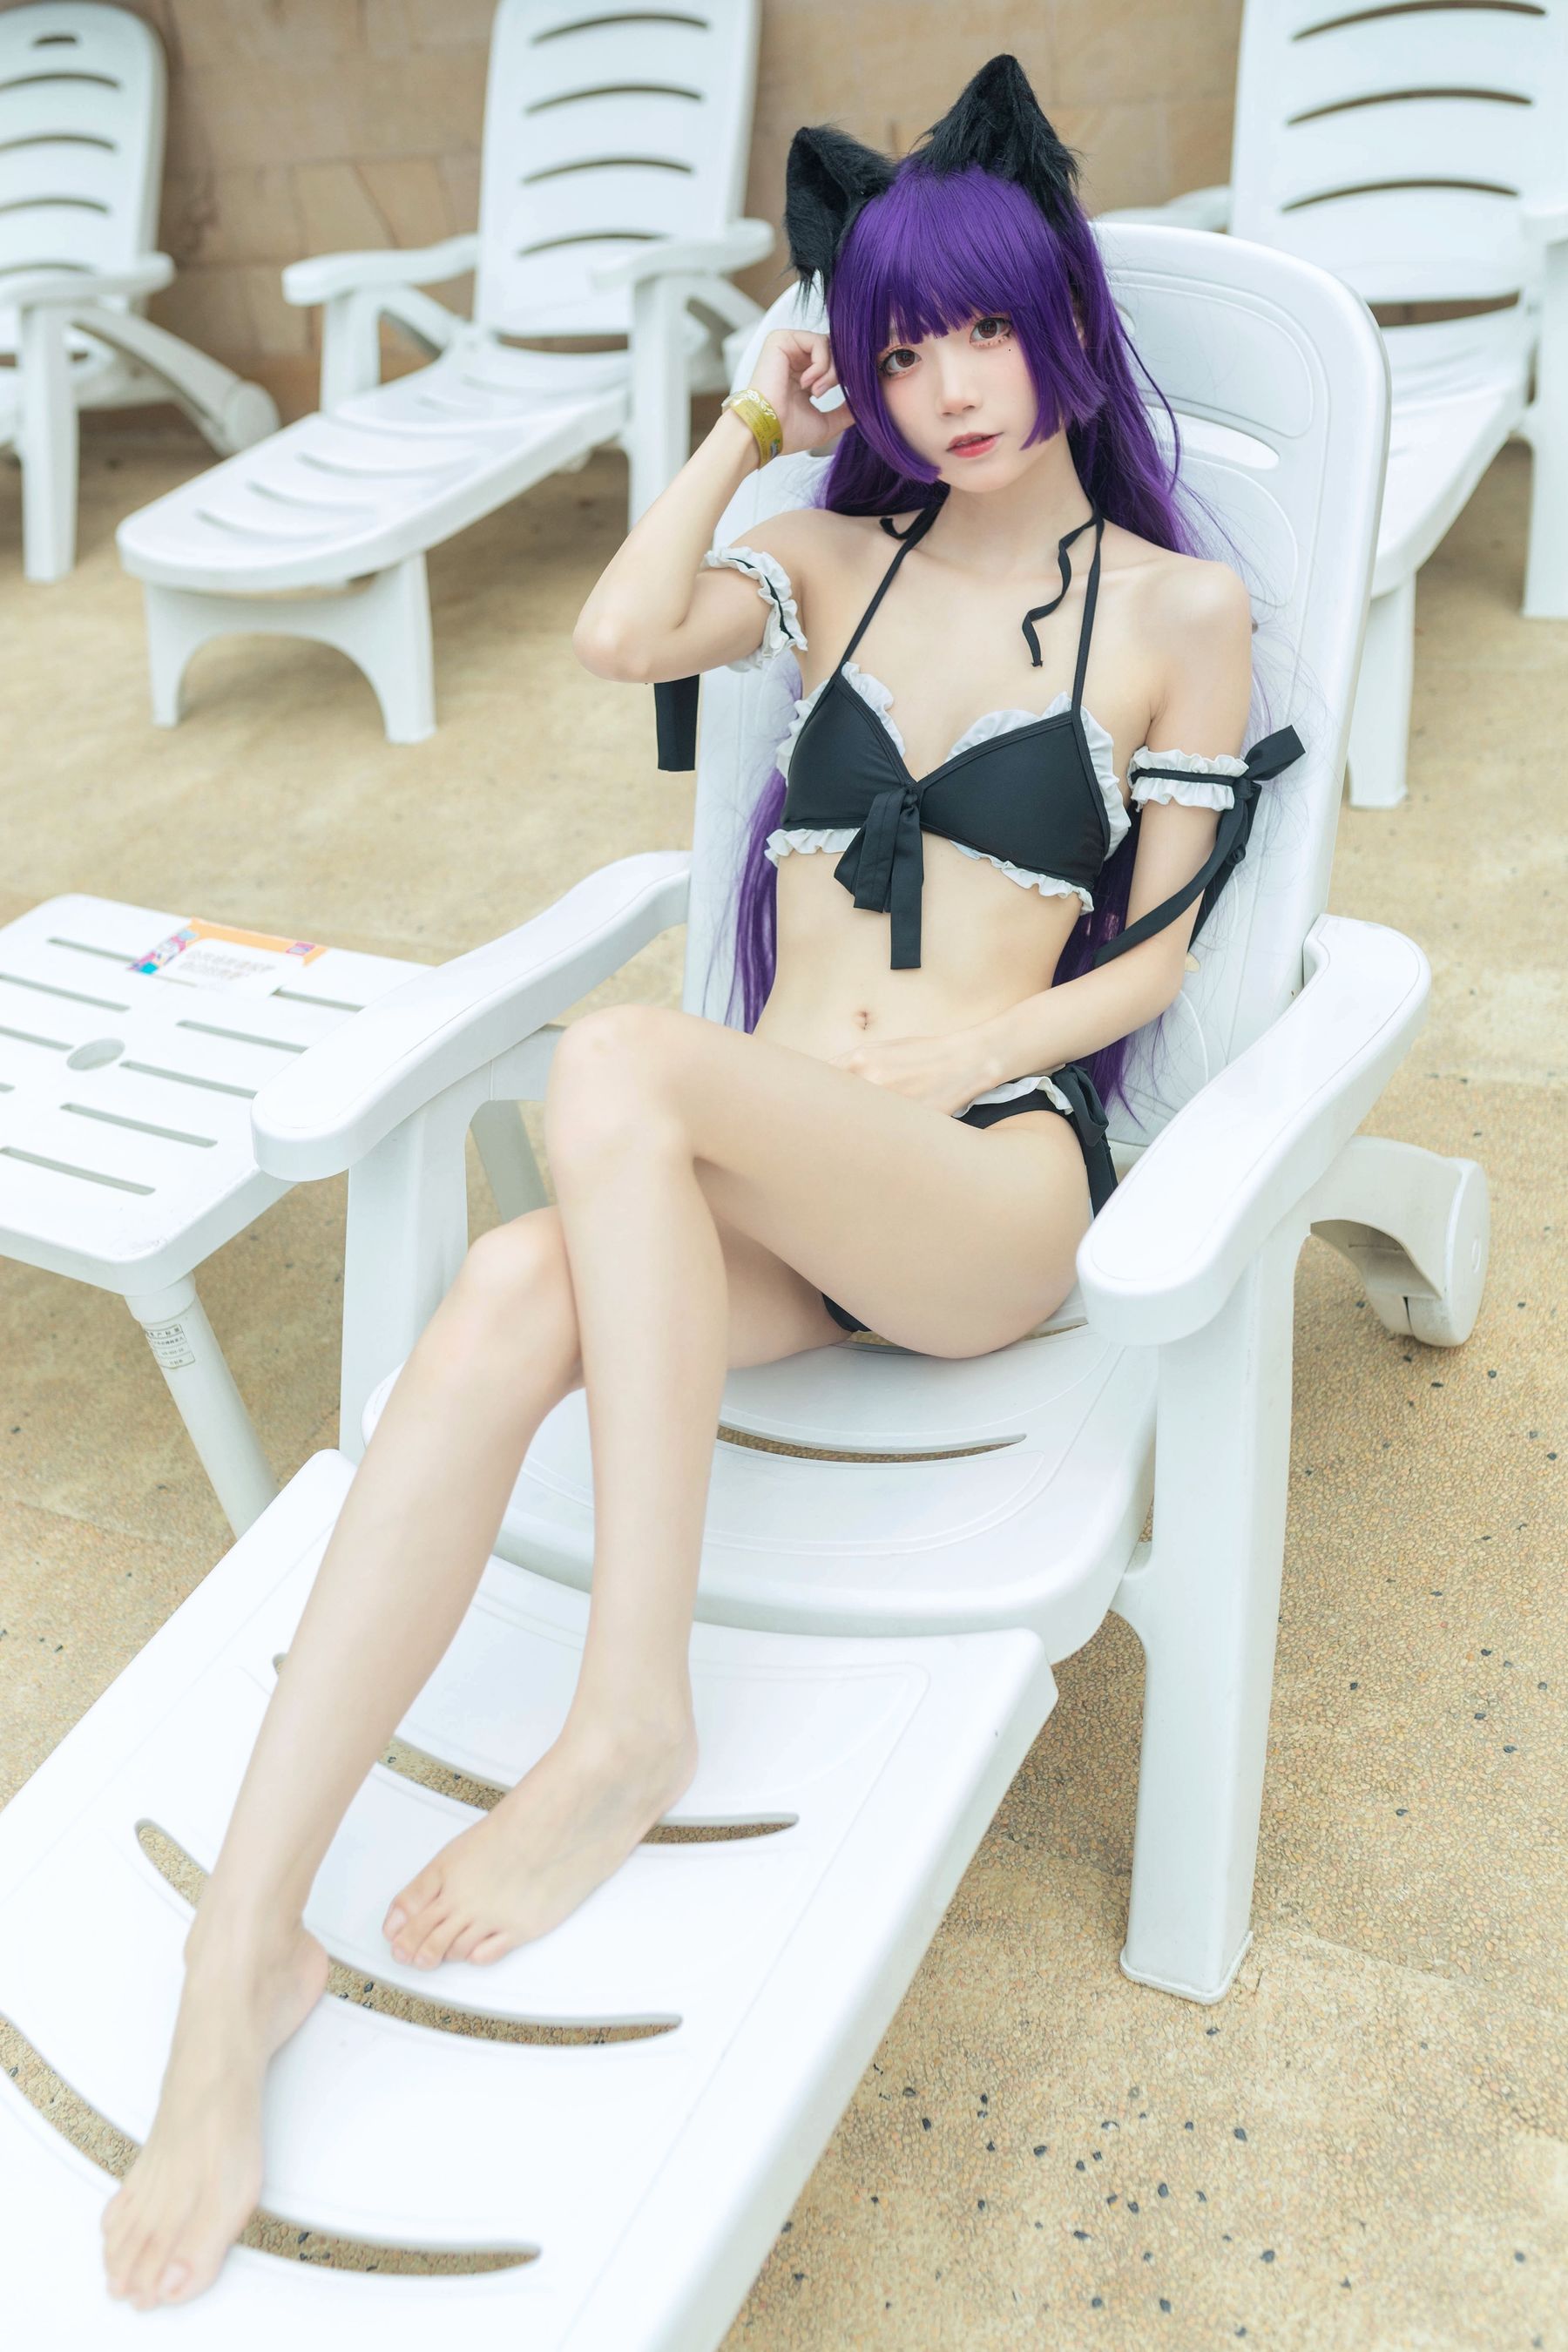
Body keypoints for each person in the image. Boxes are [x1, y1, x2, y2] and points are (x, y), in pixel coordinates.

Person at [98, 54, 1301, 2315]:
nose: (949, 385)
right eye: (902, 344)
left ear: (1065, 317)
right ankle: (238, 1954)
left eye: (985, 327)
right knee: (499, 1297)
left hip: (980, 1197)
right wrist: (754, 419)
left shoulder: (1177, 610)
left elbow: (1162, 943)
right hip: (760, 1198)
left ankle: (628, 1714)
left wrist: (984, 1046)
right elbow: (621, 633)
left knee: (623, 1055)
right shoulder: (831, 558)